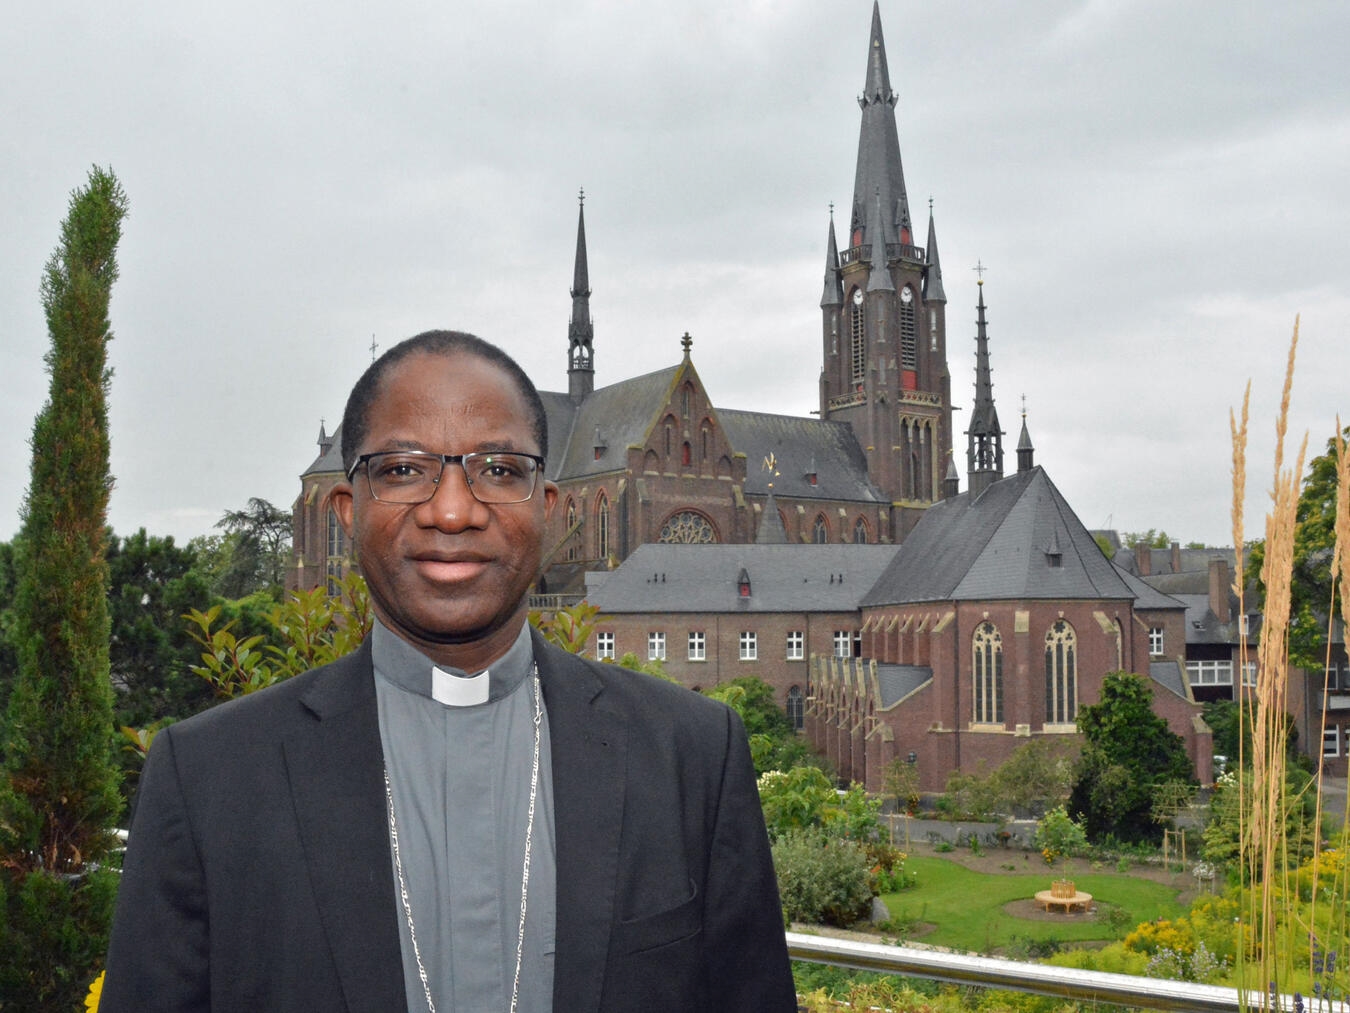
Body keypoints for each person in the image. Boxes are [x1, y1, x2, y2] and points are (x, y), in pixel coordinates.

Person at [101, 330, 796, 1013]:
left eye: (498, 469)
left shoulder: (693, 756)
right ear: (346, 510)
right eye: (404, 468)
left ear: (549, 509)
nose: (453, 510)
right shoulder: (205, 779)